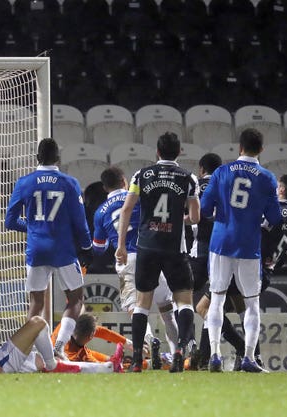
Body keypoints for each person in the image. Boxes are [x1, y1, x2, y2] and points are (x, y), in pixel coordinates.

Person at [196, 173, 287, 371]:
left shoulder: (276, 210)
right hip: (265, 271)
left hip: (246, 262)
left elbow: (255, 228)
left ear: (281, 190)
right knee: (242, 309)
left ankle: (237, 351)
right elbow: (286, 253)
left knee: (205, 308)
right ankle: (253, 356)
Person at [115, 132, 200, 373]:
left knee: (142, 304)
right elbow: (195, 217)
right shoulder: (188, 178)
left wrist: (121, 245)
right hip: (174, 248)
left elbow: (126, 210)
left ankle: (137, 363)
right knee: (184, 301)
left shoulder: (141, 175)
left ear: (157, 152)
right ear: (179, 151)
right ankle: (181, 350)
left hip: (147, 247)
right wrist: (178, 219)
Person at [200, 128, 282, 373]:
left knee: (217, 299)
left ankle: (214, 355)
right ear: (261, 150)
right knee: (252, 304)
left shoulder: (221, 172)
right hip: (249, 245)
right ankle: (248, 358)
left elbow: (204, 209)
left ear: (240, 147)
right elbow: (275, 217)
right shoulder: (267, 177)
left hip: (221, 242)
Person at [5, 138, 93, 358]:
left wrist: (34, 228)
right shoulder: (69, 183)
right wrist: (87, 246)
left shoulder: (24, 182)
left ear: (37, 158)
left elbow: (10, 221)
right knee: (75, 299)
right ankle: (59, 347)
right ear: (58, 158)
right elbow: (79, 222)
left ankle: (25, 351)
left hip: (37, 249)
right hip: (63, 250)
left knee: (35, 303)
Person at [92, 165, 180, 368]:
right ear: (124, 181)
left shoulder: (100, 212)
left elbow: (98, 247)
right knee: (166, 309)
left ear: (105, 188)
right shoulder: (139, 198)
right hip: (152, 252)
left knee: (137, 310)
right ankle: (177, 353)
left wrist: (109, 243)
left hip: (127, 260)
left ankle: (150, 341)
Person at [186, 153, 222, 370]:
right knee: (215, 304)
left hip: (199, 251)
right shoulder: (224, 184)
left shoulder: (196, 185)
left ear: (201, 169)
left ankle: (191, 348)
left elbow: (191, 215)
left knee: (182, 298)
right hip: (222, 251)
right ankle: (205, 354)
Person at [51, 313, 125, 372]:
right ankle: (113, 364)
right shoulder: (80, 357)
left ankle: (112, 361)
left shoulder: (64, 327)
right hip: (66, 358)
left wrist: (126, 342)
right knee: (99, 364)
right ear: (91, 335)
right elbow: (105, 333)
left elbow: (104, 332)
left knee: (102, 357)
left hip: (59, 350)